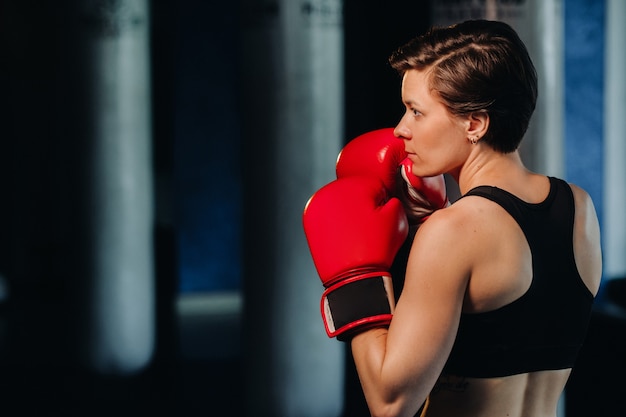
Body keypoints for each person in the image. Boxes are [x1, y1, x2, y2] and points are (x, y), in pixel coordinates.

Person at [303, 19, 602, 417]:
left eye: (416, 112)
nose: (399, 129)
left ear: (474, 123)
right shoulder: (578, 207)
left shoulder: (454, 232)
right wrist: (435, 222)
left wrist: (356, 279)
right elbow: (512, 334)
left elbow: (390, 403)